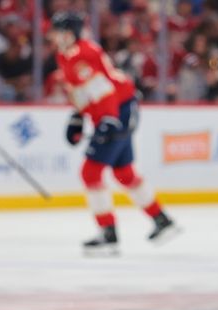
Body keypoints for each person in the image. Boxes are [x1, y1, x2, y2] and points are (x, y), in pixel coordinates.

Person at [50, 11, 178, 255]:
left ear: (69, 33)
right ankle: (161, 219)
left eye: (58, 31)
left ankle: (108, 233)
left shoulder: (82, 54)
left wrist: (107, 119)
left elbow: (102, 89)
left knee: (90, 172)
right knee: (123, 171)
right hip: (118, 108)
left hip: (116, 110)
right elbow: (82, 90)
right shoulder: (67, 55)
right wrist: (78, 115)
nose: (53, 36)